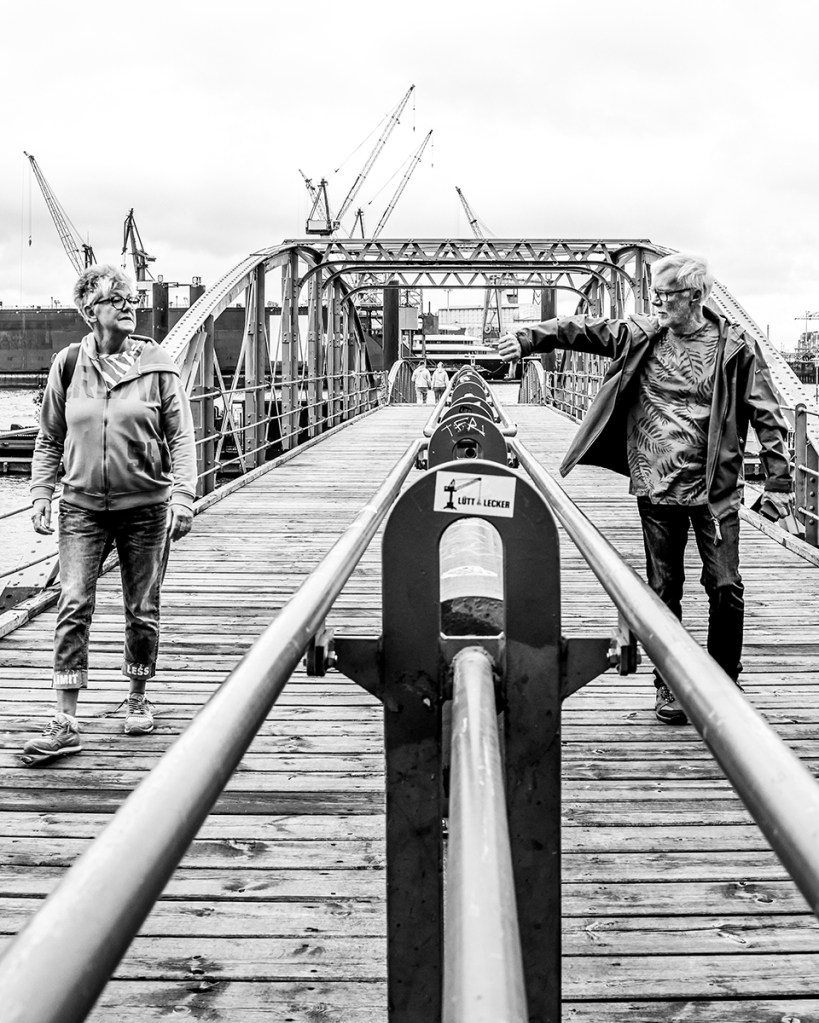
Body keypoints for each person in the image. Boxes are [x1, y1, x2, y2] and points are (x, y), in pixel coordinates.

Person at [499, 253, 793, 725]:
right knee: (664, 588)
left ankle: (724, 681)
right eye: (653, 293)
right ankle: (669, 684)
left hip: (715, 490)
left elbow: (768, 415)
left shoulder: (735, 346)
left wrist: (779, 484)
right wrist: (527, 337)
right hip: (656, 486)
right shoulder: (641, 334)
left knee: (726, 586)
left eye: (665, 295)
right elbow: (583, 329)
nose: (656, 302)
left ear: (694, 296)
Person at [25, 264, 196, 763]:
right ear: (89, 310)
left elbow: (182, 436)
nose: (128, 306)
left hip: (145, 506)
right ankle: (65, 721)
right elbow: (50, 436)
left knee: (141, 608)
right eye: (115, 299)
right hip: (80, 506)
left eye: (131, 298)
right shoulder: (68, 364)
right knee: (73, 602)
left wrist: (184, 496)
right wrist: (41, 492)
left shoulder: (158, 364)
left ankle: (138, 696)